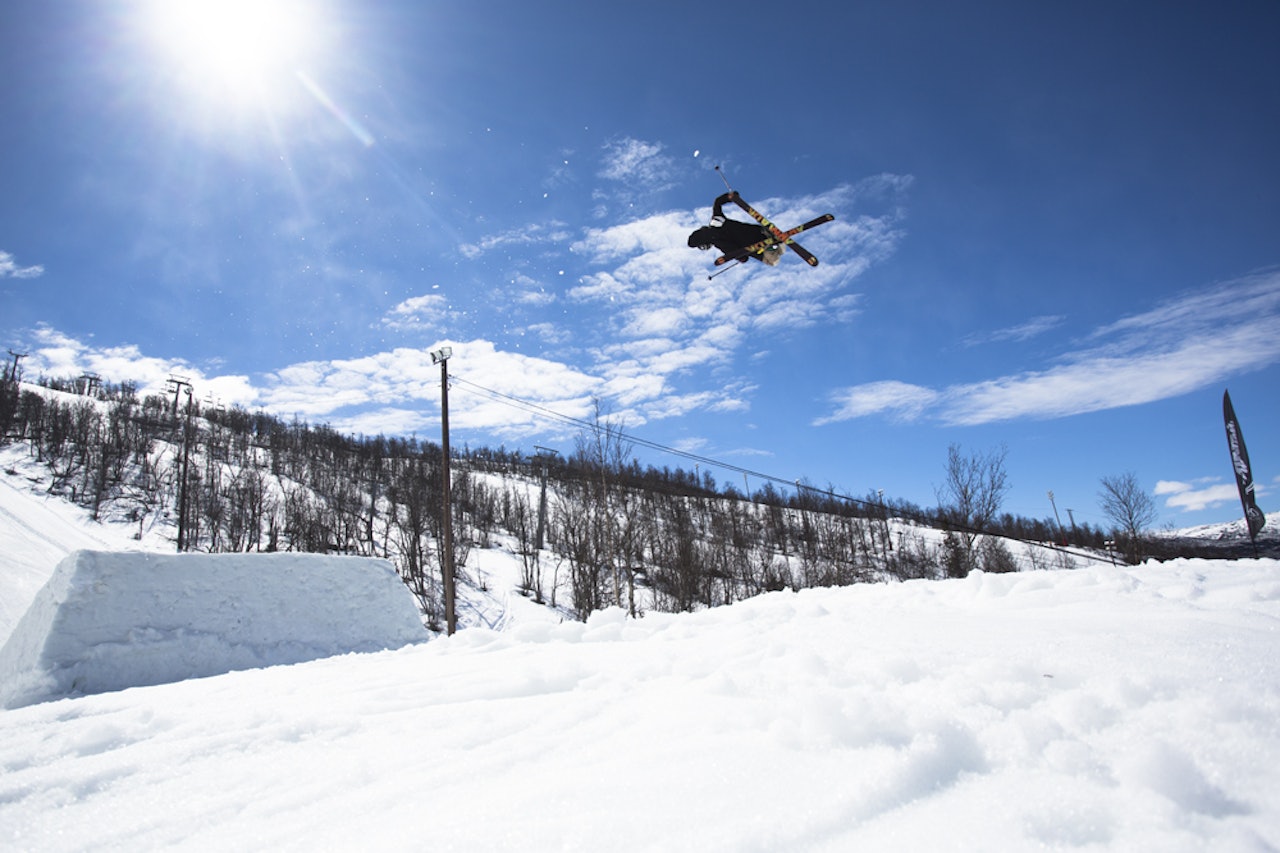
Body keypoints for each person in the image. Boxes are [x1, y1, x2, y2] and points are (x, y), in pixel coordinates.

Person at [687, 192, 785, 266]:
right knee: (773, 251)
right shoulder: (716, 221)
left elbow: (734, 251)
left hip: (759, 249)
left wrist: (741, 258)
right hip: (759, 232)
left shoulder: (719, 243)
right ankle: (774, 241)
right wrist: (730, 197)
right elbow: (717, 202)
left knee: (772, 260)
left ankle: (775, 245)